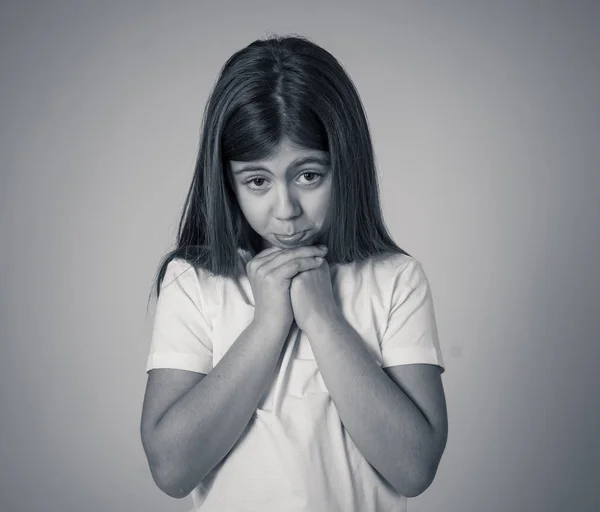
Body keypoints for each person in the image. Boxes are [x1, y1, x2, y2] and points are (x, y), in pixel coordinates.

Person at [140, 34, 447, 512]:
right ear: (227, 182)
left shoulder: (394, 278)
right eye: (257, 181)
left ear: (345, 166)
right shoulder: (194, 281)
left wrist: (324, 322)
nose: (286, 210)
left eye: (308, 175)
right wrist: (268, 323)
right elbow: (171, 469)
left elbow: (415, 468)